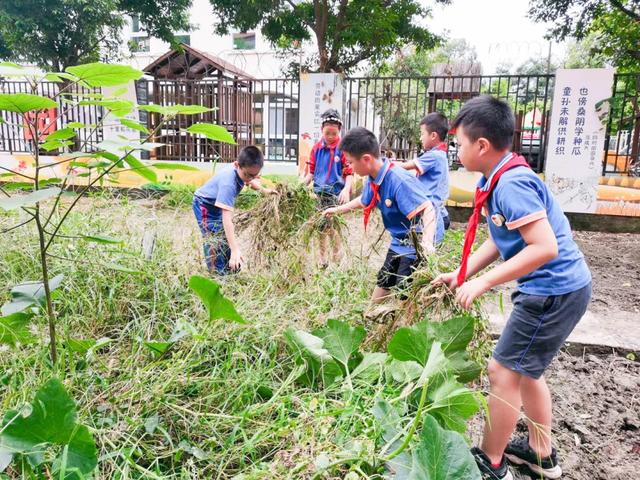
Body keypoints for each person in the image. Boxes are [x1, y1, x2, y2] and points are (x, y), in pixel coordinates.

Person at [432, 96, 591, 480]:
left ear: (482, 145)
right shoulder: (498, 177)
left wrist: (484, 281)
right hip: (560, 288)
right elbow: (501, 238)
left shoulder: (513, 183)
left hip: (552, 291)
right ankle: (541, 454)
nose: (456, 150)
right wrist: (462, 272)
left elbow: (544, 246)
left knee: (502, 370)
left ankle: (492, 462)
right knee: (527, 372)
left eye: (459, 143)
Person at [323, 127, 437, 303]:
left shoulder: (398, 180)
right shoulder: (373, 177)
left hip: (415, 244)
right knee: (383, 282)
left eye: (351, 162)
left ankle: (403, 326)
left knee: (404, 295)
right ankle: (371, 319)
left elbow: (428, 209)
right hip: (399, 241)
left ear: (366, 159)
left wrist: (427, 243)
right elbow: (364, 201)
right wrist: (337, 210)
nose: (350, 167)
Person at [193, 146, 276, 274]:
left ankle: (230, 270)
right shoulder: (228, 184)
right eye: (247, 175)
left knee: (224, 237)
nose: (249, 178)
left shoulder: (243, 171)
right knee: (213, 239)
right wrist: (235, 249)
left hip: (217, 203)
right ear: (237, 165)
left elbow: (250, 181)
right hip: (205, 205)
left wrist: (265, 191)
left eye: (254, 175)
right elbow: (227, 219)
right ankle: (217, 275)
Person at [303, 109, 354, 266]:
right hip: (319, 194)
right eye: (327, 133)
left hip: (336, 195)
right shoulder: (316, 148)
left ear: (340, 130)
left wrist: (346, 189)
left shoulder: (343, 149)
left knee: (334, 228)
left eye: (334, 133)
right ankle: (322, 258)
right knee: (320, 228)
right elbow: (311, 173)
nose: (330, 137)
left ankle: (337, 257)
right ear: (321, 130)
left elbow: (349, 172)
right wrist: (300, 187)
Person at [396, 112, 450, 237]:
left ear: (433, 135)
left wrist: (388, 165)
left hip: (431, 211)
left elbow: (408, 166)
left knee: (426, 245)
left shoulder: (434, 156)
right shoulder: (439, 154)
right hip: (437, 209)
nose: (420, 138)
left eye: (422, 134)